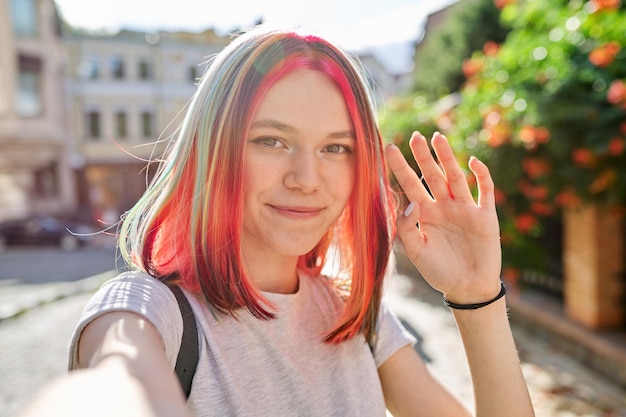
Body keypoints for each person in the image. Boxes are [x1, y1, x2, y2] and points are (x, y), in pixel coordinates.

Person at [63, 25, 534, 417]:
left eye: (336, 148)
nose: (307, 179)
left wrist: (477, 296)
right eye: (271, 140)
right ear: (213, 151)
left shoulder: (353, 316)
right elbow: (114, 387)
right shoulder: (147, 312)